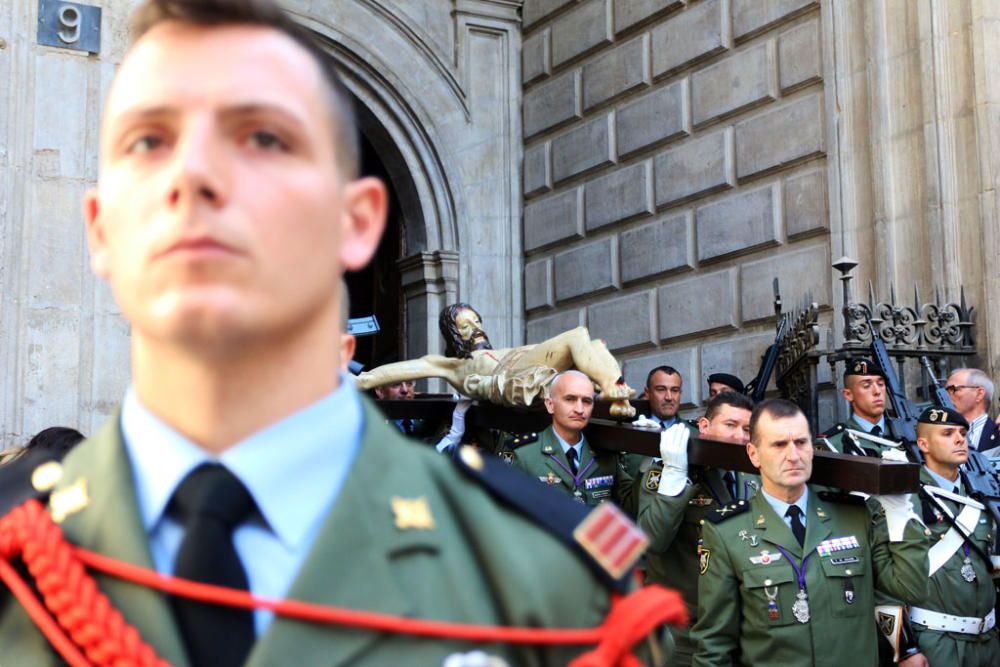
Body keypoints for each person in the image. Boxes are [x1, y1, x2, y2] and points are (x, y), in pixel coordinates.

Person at [0, 2, 670, 664]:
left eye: (262, 137)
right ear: (99, 226)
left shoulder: (547, 576)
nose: (194, 175)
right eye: (149, 141)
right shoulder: (18, 555)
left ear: (357, 220)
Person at [691, 399, 930, 667]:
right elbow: (714, 645)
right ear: (753, 453)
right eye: (779, 444)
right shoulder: (728, 532)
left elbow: (910, 588)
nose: (793, 455)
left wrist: (900, 517)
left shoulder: (854, 516)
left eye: (801, 442)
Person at [637, 391, 758, 666]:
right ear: (704, 426)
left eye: (747, 429)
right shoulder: (666, 471)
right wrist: (674, 478)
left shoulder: (751, 473)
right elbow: (651, 541)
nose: (739, 436)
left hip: (741, 630)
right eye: (730, 425)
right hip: (684, 634)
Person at [357, 302, 637, 417]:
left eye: (477, 321)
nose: (476, 328)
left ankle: (617, 393)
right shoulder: (451, 365)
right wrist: (363, 380)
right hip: (511, 374)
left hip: (525, 360)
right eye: (466, 326)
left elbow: (538, 350)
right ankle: (613, 390)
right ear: (453, 334)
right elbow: (407, 368)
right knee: (577, 334)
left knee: (594, 344)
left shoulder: (495, 348)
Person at [890, 406, 998, 667]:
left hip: (990, 639)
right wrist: (905, 649)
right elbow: (887, 581)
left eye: (962, 432)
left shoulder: (983, 494)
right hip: (936, 641)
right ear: (923, 444)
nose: (960, 439)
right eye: (948, 433)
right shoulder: (902, 499)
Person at [509, 370, 635, 511]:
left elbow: (632, 505)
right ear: (550, 405)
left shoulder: (606, 456)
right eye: (570, 399)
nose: (579, 409)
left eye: (587, 401)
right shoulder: (524, 455)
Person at [820, 358, 903, 456]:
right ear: (848, 395)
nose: (877, 391)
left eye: (881, 384)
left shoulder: (905, 435)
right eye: (866, 386)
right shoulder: (833, 443)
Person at [945, 368, 998, 456]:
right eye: (945, 391)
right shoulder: (941, 435)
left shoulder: (997, 436)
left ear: (979, 394)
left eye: (953, 389)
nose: (946, 396)